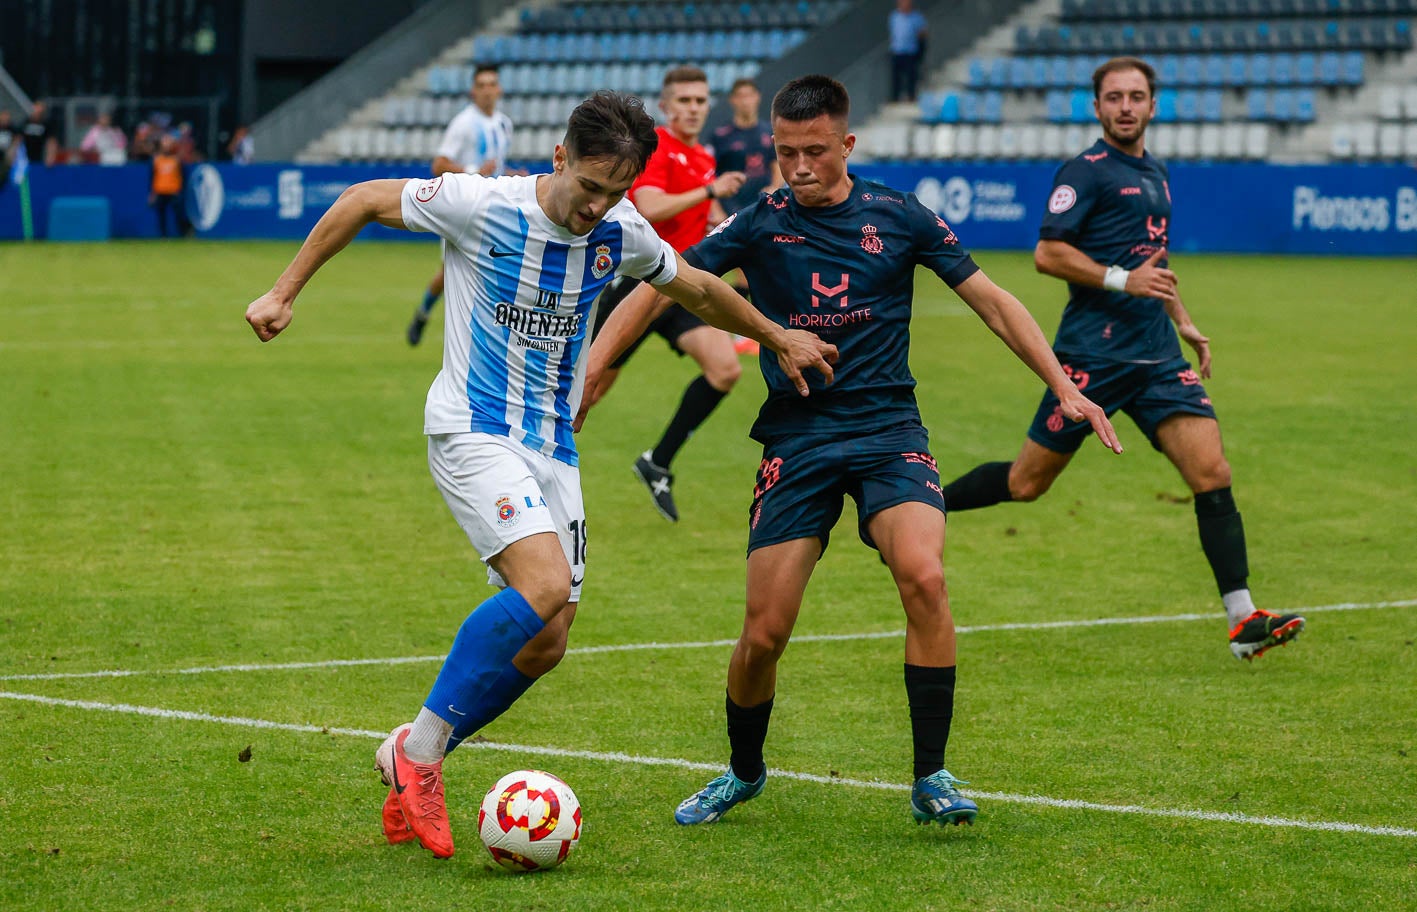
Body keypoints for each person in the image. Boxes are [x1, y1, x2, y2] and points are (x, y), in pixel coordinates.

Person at [243, 90, 837, 860]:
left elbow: (692, 286)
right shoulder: (480, 204)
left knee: (548, 641)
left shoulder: (620, 230)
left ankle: (408, 751)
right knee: (545, 585)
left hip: (553, 448)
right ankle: (423, 758)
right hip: (472, 428)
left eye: (614, 193)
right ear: (559, 157)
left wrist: (775, 335)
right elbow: (360, 199)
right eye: (589, 186)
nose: (597, 207)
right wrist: (282, 293)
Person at [580, 75, 1119, 828]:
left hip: (888, 431)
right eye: (785, 151)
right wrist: (593, 371)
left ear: (847, 145)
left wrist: (1062, 386)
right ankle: (741, 771)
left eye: (814, 152)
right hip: (796, 438)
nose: (798, 167)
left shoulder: (899, 216)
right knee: (763, 633)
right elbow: (653, 287)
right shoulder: (758, 222)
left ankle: (931, 775)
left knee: (924, 578)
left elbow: (993, 300)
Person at [938, 57, 1304, 661]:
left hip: (1159, 359)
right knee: (1026, 484)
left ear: (1153, 105)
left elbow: (1151, 264)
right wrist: (1119, 279)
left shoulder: (1156, 172)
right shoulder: (1084, 172)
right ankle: (921, 504)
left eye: (1137, 96)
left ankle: (1243, 620)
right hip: (1092, 357)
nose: (1126, 106)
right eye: (1115, 97)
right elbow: (1047, 254)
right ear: (1098, 106)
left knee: (1212, 473)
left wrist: (1183, 321)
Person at [589, 65, 747, 522]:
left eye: (700, 101)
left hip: (677, 285)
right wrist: (708, 191)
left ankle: (657, 461)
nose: (694, 108)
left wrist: (727, 223)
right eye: (685, 101)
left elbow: (707, 215)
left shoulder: (704, 156)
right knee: (589, 391)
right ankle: (534, 463)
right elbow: (650, 206)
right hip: (637, 283)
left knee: (724, 370)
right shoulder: (657, 148)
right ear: (666, 105)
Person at [406, 64, 519, 346]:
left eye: (491, 84)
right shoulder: (464, 123)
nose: (487, 90)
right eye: (481, 85)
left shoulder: (504, 124)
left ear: (499, 89)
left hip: (496, 206)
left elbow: (496, 168)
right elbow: (439, 164)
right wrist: (473, 171)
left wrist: (513, 176)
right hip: (466, 208)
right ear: (473, 91)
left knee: (502, 265)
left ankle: (496, 332)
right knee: (449, 274)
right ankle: (422, 313)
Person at [709, 77, 784, 355]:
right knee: (743, 270)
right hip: (732, 208)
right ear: (733, 100)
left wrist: (775, 188)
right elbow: (711, 174)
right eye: (740, 96)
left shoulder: (768, 132)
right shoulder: (722, 136)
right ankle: (741, 334)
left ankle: (745, 332)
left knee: (757, 269)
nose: (745, 101)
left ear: (757, 98)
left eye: (750, 95)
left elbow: (777, 165)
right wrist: (715, 208)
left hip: (762, 208)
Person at [149, 135, 189, 237]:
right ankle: (163, 236)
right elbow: (152, 177)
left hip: (174, 190)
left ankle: (182, 234)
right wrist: (152, 193)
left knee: (178, 214)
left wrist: (180, 190)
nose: (167, 147)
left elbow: (182, 176)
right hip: (160, 190)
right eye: (165, 144)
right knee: (161, 215)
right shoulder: (157, 160)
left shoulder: (176, 160)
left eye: (169, 144)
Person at [888, 0, 928, 103]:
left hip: (910, 51)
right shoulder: (894, 16)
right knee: (896, 77)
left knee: (911, 76)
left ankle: (911, 96)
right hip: (897, 50)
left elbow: (922, 33)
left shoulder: (916, 17)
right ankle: (895, 97)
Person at [21, 100, 57, 168]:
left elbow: (51, 141)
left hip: (41, 157)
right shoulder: (26, 123)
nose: (38, 110)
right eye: (36, 107)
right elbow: (18, 139)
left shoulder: (46, 124)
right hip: (26, 158)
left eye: (40, 108)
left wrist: (50, 156)